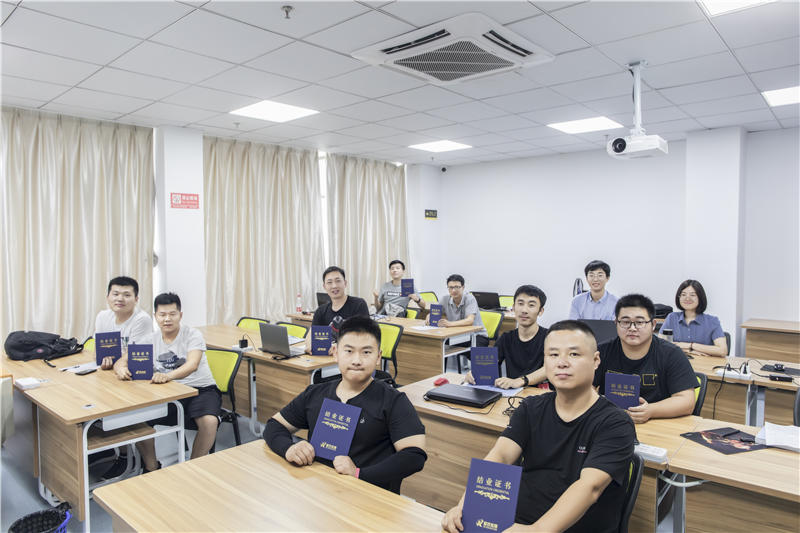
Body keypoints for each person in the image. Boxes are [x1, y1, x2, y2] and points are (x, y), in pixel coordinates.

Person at [442, 320, 635, 533]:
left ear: (595, 360)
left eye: (574, 354)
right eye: (553, 354)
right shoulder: (531, 407)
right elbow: (500, 457)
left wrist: (538, 530)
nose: (562, 363)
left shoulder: (615, 422)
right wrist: (466, 507)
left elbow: (590, 487)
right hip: (517, 523)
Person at [263, 316, 427, 493]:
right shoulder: (315, 393)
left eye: (366, 352)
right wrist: (289, 448)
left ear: (378, 357)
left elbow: (414, 455)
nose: (357, 360)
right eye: (348, 351)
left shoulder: (393, 401)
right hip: (318, 490)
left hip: (368, 495)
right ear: (335, 353)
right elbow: (274, 426)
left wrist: (358, 473)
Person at [112, 292, 220, 471]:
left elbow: (192, 365)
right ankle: (152, 467)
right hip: (167, 392)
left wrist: (168, 376)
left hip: (201, 389)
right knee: (137, 420)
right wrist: (121, 369)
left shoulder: (192, 334)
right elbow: (121, 361)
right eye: (162, 315)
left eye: (172, 314)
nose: (167, 319)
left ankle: (193, 467)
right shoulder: (150, 339)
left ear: (180, 315)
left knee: (209, 422)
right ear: (155, 316)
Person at [594, 294, 696, 423]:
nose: (632, 328)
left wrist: (651, 410)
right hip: (610, 422)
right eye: (625, 322)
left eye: (640, 322)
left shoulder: (671, 354)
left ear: (653, 325)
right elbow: (583, 388)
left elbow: (687, 401)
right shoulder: (602, 351)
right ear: (616, 323)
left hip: (657, 423)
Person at [464, 285, 549, 389]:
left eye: (531, 305)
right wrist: (474, 373)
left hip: (540, 392)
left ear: (540, 311)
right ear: (513, 307)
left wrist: (521, 381)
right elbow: (490, 364)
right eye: (520, 304)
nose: (524, 310)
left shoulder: (549, 337)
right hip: (513, 392)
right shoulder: (506, 338)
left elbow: (548, 368)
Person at [95, 276, 153, 370]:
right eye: (115, 294)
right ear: (107, 297)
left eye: (127, 295)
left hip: (134, 370)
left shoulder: (142, 319)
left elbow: (135, 356)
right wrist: (103, 359)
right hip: (108, 370)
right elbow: (97, 351)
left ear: (136, 299)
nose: (120, 299)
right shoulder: (102, 316)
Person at [307, 266, 369, 352]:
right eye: (329, 282)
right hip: (326, 357)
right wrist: (309, 346)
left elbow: (363, 335)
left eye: (338, 281)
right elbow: (311, 335)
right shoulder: (321, 310)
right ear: (324, 286)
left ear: (345, 283)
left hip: (352, 356)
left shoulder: (358, 304)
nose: (334, 286)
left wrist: (338, 346)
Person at [659, 280, 727, 357]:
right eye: (683, 294)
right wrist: (688, 350)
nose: (687, 298)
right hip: (676, 361)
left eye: (692, 295)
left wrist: (692, 346)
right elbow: (660, 344)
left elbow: (722, 351)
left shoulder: (712, 321)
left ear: (700, 298)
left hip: (703, 363)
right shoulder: (672, 318)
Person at [418, 274, 488, 347]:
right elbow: (434, 313)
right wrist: (429, 316)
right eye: (451, 287)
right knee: (436, 344)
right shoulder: (445, 299)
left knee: (472, 350)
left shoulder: (470, 299)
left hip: (477, 335)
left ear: (463, 287)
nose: (453, 290)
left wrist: (449, 324)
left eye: (457, 287)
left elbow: (470, 320)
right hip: (457, 335)